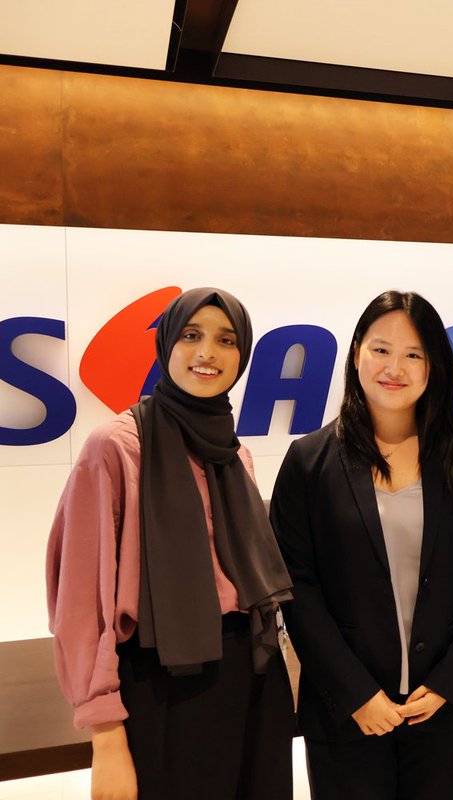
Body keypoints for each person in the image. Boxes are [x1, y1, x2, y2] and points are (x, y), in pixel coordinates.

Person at [46, 288, 295, 800]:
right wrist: (106, 736)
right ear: (165, 345)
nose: (208, 353)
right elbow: (79, 605)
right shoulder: (116, 448)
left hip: (252, 673)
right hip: (162, 683)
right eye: (191, 335)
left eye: (226, 340)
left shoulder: (235, 454)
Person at [271, 290, 453, 799]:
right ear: (356, 355)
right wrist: (356, 692)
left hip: (441, 707)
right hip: (347, 710)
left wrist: (451, 679)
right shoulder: (309, 462)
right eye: (380, 349)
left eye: (413, 355)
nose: (394, 367)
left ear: (433, 367)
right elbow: (296, 588)